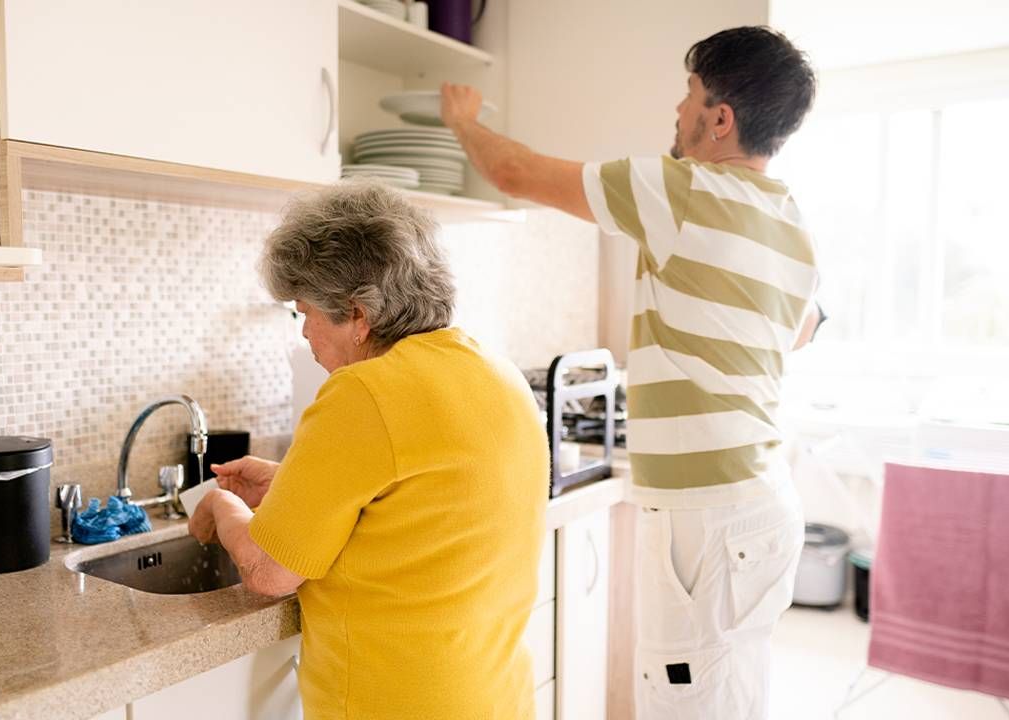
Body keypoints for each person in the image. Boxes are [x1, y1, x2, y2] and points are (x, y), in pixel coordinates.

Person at [441, 25, 819, 720]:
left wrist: (463, 121)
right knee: (731, 695)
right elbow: (804, 328)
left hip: (706, 517)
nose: (677, 112)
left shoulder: (680, 190)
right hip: (765, 504)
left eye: (689, 95)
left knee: (686, 705)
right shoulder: (790, 221)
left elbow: (515, 174)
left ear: (720, 119)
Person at [188, 182, 550, 720]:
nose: (306, 332)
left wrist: (221, 507)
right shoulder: (494, 372)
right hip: (495, 697)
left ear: (359, 315)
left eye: (305, 311)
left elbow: (267, 573)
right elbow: (420, 502)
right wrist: (292, 483)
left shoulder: (363, 394)